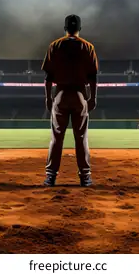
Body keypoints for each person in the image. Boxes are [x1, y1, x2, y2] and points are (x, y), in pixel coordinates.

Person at [41, 14, 99, 187]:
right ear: (79, 29)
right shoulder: (88, 47)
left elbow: (48, 77)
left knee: (56, 138)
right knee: (81, 138)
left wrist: (48, 97)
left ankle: (51, 176)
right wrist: (93, 97)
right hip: (80, 95)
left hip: (60, 94)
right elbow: (93, 77)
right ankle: (85, 177)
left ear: (65, 28)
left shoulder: (55, 45)